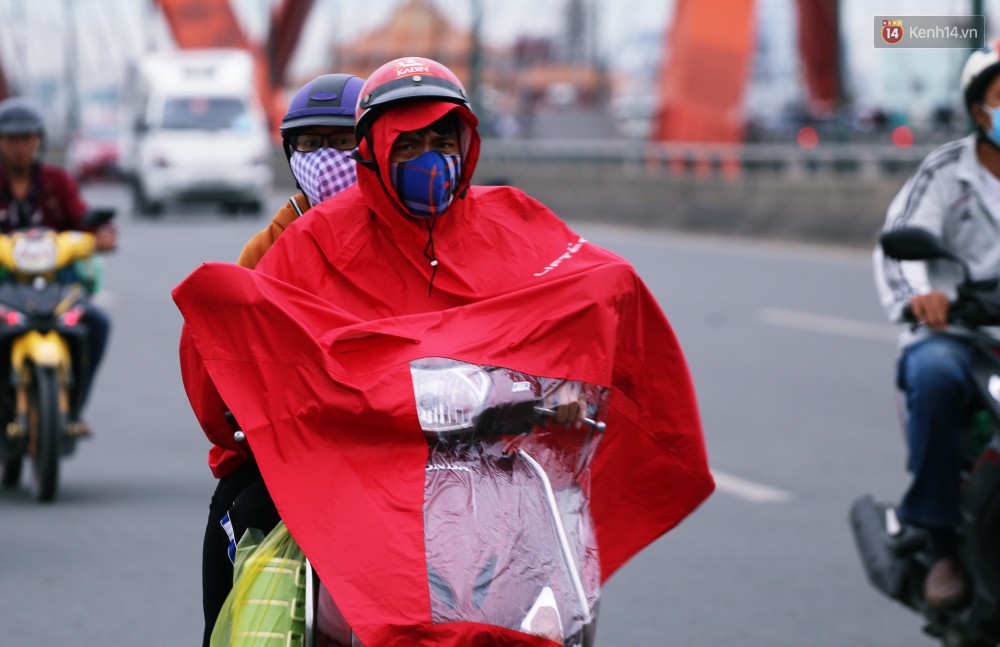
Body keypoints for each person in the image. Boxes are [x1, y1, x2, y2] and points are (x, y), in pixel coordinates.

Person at [175, 56, 713, 644]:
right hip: (354, 470)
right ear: (375, 150)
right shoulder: (310, 243)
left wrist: (574, 385)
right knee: (243, 515)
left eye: (442, 138)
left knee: (561, 598)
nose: (429, 158)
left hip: (495, 468)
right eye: (408, 143)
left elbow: (591, 287)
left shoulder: (515, 221)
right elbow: (245, 335)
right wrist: (252, 402)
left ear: (467, 142)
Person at [189, 72, 365, 647]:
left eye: (340, 142)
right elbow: (225, 347)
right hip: (305, 445)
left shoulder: (412, 233)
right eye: (308, 145)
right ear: (290, 156)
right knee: (235, 512)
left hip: (410, 442)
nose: (325, 158)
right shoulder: (267, 250)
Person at [873, 41, 1000, 609]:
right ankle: (940, 541)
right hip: (958, 335)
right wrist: (920, 298)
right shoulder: (947, 171)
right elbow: (896, 244)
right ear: (980, 108)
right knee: (936, 377)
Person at [0, 97, 116, 432]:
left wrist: (101, 235)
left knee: (96, 325)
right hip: (5, 287)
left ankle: (73, 407)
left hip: (56, 284)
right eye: (11, 139)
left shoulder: (58, 181)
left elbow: (83, 217)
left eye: (26, 138)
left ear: (38, 140)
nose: (19, 147)